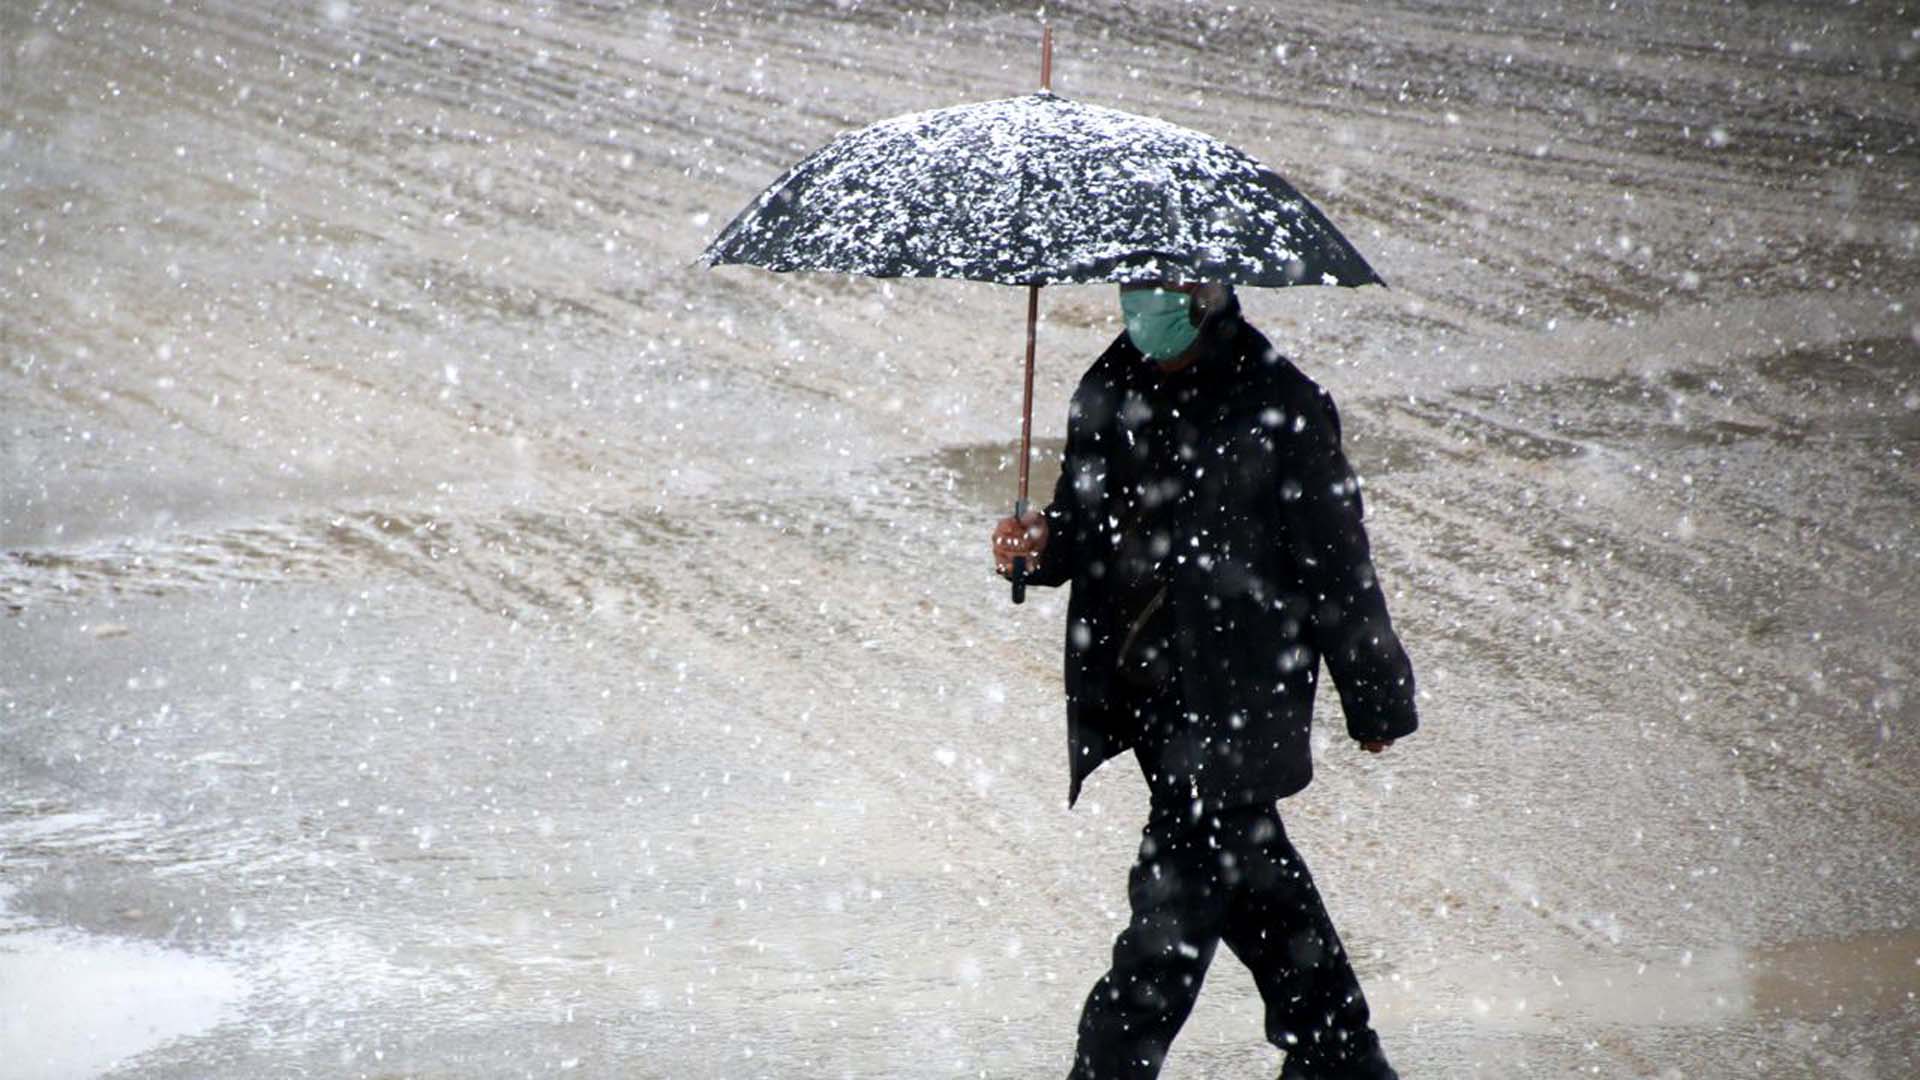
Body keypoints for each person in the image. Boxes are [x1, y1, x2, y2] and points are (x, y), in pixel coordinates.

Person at [991, 280, 1418, 1080]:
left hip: (1241, 696)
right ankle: (1343, 1062)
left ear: (1211, 291)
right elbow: (1082, 530)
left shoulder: (1280, 404)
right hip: (1146, 691)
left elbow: (1338, 566)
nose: (1144, 301)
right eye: (1135, 284)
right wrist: (1038, 545)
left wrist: (1376, 692)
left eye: (1166, 285)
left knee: (1168, 927)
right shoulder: (1107, 391)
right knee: (1258, 887)